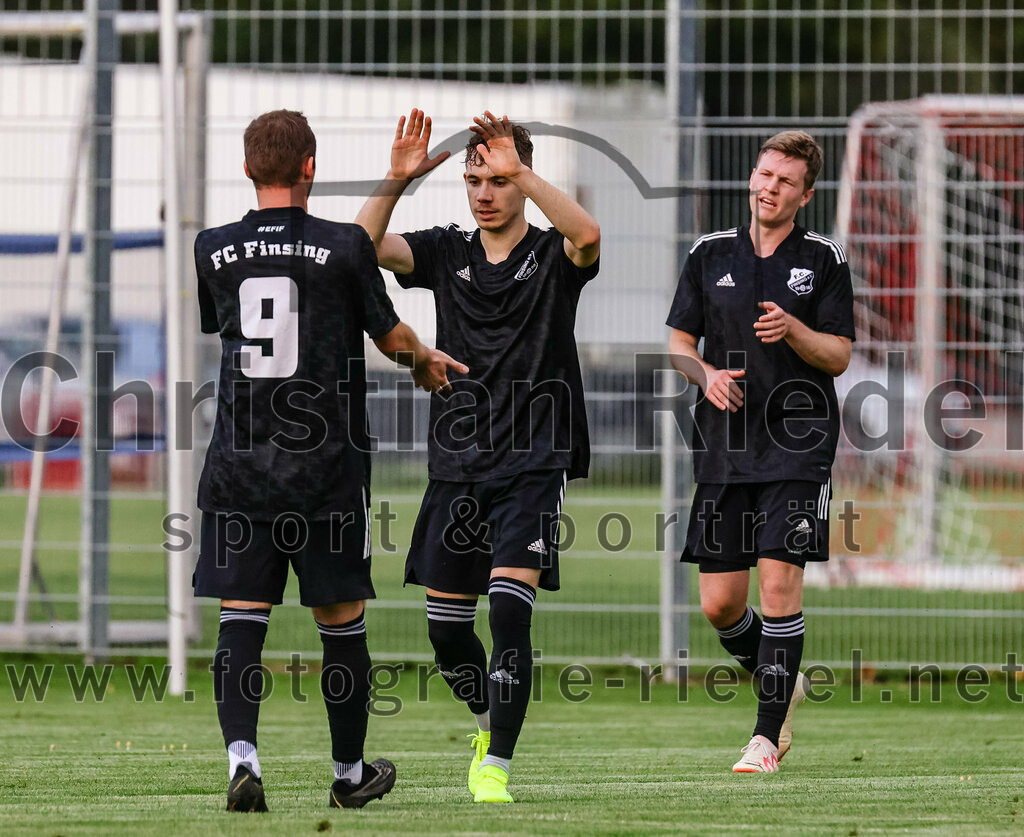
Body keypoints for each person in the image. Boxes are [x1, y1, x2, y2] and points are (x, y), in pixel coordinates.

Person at [192, 109, 466, 812]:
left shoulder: (212, 248)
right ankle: (347, 771)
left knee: (241, 618)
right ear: (309, 167)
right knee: (340, 622)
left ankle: (242, 757)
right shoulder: (344, 248)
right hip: (327, 471)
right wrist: (423, 361)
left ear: (249, 168)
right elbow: (390, 332)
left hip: (239, 467)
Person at [355, 109, 600, 803]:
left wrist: (523, 168)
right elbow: (360, 247)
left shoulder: (554, 256)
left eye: (496, 179)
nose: (483, 191)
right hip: (457, 464)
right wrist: (396, 180)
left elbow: (588, 235)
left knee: (508, 609)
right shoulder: (446, 249)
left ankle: (497, 766)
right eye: (473, 178)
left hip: (532, 461)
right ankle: (490, 720)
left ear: (521, 182)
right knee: (446, 633)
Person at [666, 130, 855, 773]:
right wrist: (706, 376)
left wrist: (796, 330)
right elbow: (677, 344)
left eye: (784, 181)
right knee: (720, 605)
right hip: (724, 451)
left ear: (805, 194)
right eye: (763, 174)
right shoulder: (709, 252)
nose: (768, 188)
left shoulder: (824, 259)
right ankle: (785, 677)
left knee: (779, 586)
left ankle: (766, 738)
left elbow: (839, 354)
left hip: (798, 449)